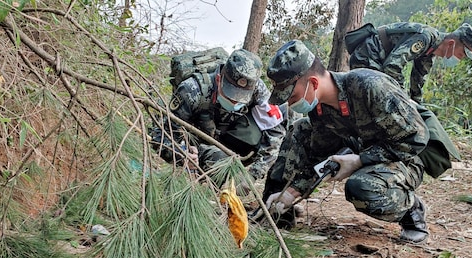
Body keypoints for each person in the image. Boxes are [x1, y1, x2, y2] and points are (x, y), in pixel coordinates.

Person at [261, 40, 431, 244]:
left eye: (292, 95)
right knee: (300, 129)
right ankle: (277, 208)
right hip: (361, 151)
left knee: (360, 187)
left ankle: (411, 211)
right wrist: (291, 192)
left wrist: (359, 161)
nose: (289, 103)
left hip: (406, 159)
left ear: (314, 83)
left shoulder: (370, 86)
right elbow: (317, 156)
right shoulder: (319, 109)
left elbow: (416, 139)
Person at [151, 49, 286, 189]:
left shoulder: (258, 90)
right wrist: (183, 155)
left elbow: (275, 132)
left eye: (241, 99)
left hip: (231, 139)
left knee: (279, 124)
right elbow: (160, 136)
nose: (234, 102)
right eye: (230, 95)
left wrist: (253, 176)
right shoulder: (191, 90)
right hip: (198, 144)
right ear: (218, 79)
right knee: (217, 158)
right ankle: (204, 187)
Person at [347, 22, 472, 103]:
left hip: (378, 61)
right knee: (374, 100)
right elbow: (392, 67)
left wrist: (418, 109)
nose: (460, 58)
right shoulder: (425, 38)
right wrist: (403, 99)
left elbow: (416, 84)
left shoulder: (429, 53)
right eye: (461, 54)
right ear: (452, 43)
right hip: (368, 55)